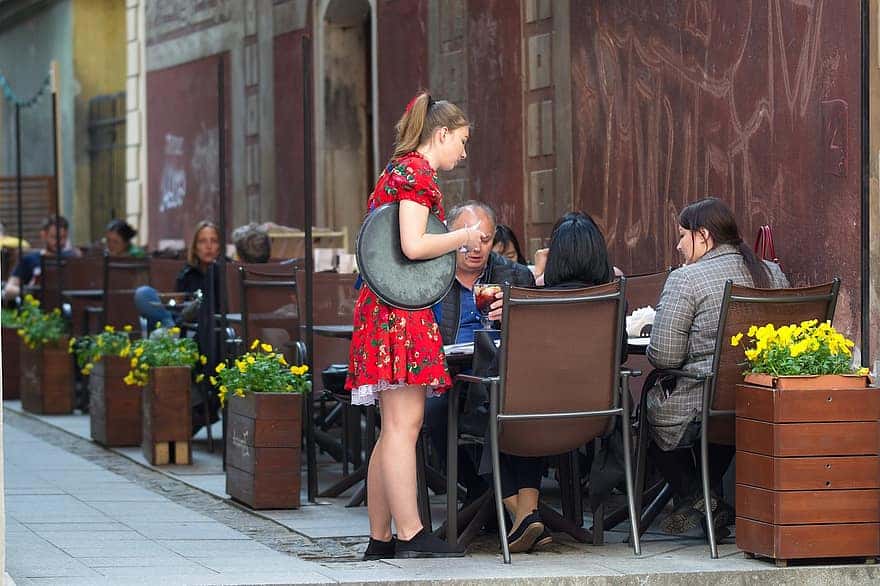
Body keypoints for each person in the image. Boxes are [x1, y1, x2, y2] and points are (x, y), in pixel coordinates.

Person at [347, 91, 483, 560]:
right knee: (406, 425)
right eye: (461, 141)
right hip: (400, 312)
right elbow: (411, 244)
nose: (462, 153)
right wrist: (461, 236)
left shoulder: (397, 169)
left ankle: (380, 538)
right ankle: (411, 534)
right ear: (440, 134)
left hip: (383, 308)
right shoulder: (416, 174)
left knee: (391, 428)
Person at [646, 197, 788, 539]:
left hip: (701, 403)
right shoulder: (772, 272)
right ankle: (708, 500)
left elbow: (663, 357)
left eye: (683, 235)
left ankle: (697, 497)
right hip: (758, 399)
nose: (679, 245)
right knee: (722, 414)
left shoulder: (688, 280)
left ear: (704, 235)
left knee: (649, 405)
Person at [492, 211, 616, 553]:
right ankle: (527, 517)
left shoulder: (539, 300)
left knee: (500, 411)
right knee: (520, 410)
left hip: (534, 416)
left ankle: (523, 514)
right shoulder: (611, 299)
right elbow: (617, 358)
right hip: (595, 418)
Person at [424, 201, 534, 507]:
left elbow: (536, 337)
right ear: (449, 236)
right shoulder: (431, 275)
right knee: (434, 413)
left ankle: (496, 503)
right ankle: (480, 491)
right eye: (467, 239)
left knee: (523, 408)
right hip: (448, 376)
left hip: (502, 376)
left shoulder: (515, 275)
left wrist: (514, 314)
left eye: (484, 239)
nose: (476, 247)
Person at [134, 220, 221, 331]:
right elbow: (177, 306)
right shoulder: (187, 273)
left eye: (213, 241)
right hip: (182, 320)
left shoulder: (226, 271)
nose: (208, 246)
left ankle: (170, 329)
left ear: (219, 247)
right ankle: (170, 326)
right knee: (143, 293)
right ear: (195, 247)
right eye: (202, 241)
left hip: (209, 326)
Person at [3, 215, 80, 302]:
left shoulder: (73, 259)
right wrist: (31, 291)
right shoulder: (29, 260)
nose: (60, 242)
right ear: (43, 235)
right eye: (55, 237)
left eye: (64, 237)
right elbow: (8, 290)